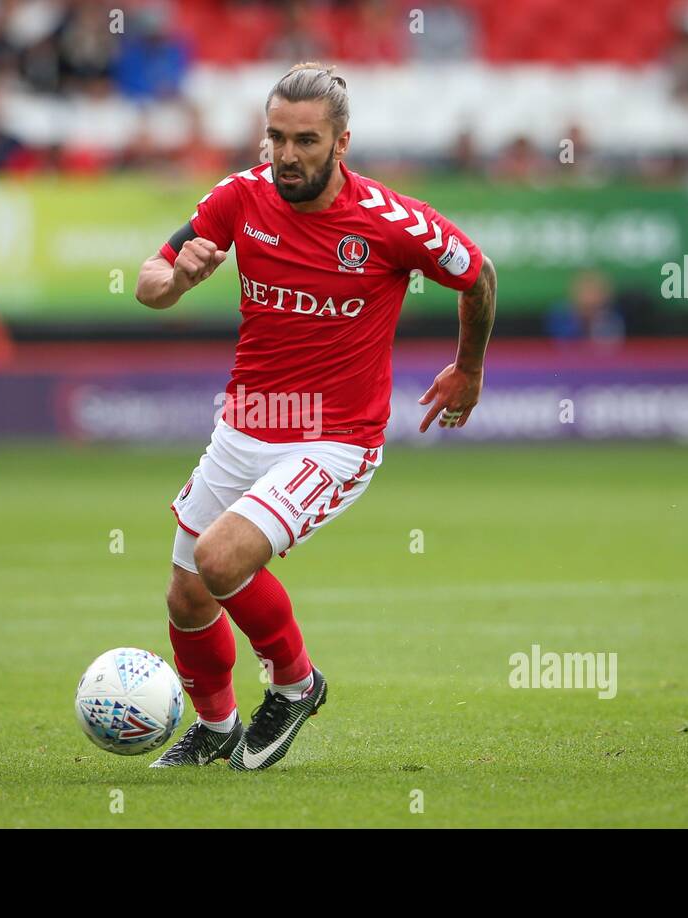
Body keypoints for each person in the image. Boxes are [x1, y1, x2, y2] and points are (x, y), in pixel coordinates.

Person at [135, 63, 497, 770]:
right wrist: (176, 279)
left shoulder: (392, 223)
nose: (287, 155)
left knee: (218, 558)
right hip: (244, 426)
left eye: (305, 140)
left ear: (341, 143)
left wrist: (470, 369)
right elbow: (149, 282)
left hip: (335, 440)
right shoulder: (239, 197)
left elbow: (477, 275)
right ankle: (215, 729)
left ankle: (297, 684)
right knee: (185, 596)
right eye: (276, 138)